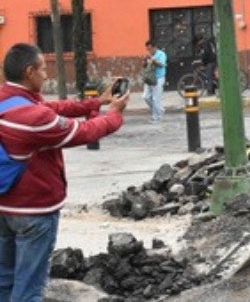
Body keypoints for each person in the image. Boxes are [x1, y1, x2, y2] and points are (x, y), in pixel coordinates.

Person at [0, 43, 127, 301]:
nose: (46, 75)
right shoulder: (33, 119)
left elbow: (52, 109)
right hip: (33, 212)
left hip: (4, 206)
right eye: (43, 69)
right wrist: (114, 115)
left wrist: (95, 102)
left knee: (5, 280)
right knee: (29, 289)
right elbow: (82, 132)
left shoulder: (9, 100)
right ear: (29, 72)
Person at [143, 40, 167, 122]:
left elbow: (162, 65)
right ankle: (160, 110)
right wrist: (145, 61)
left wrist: (153, 60)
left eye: (150, 49)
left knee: (156, 98)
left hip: (158, 78)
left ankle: (156, 117)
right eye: (147, 49)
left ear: (155, 47)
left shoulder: (161, 54)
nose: (149, 51)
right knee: (145, 97)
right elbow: (144, 66)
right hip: (149, 78)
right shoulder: (148, 55)